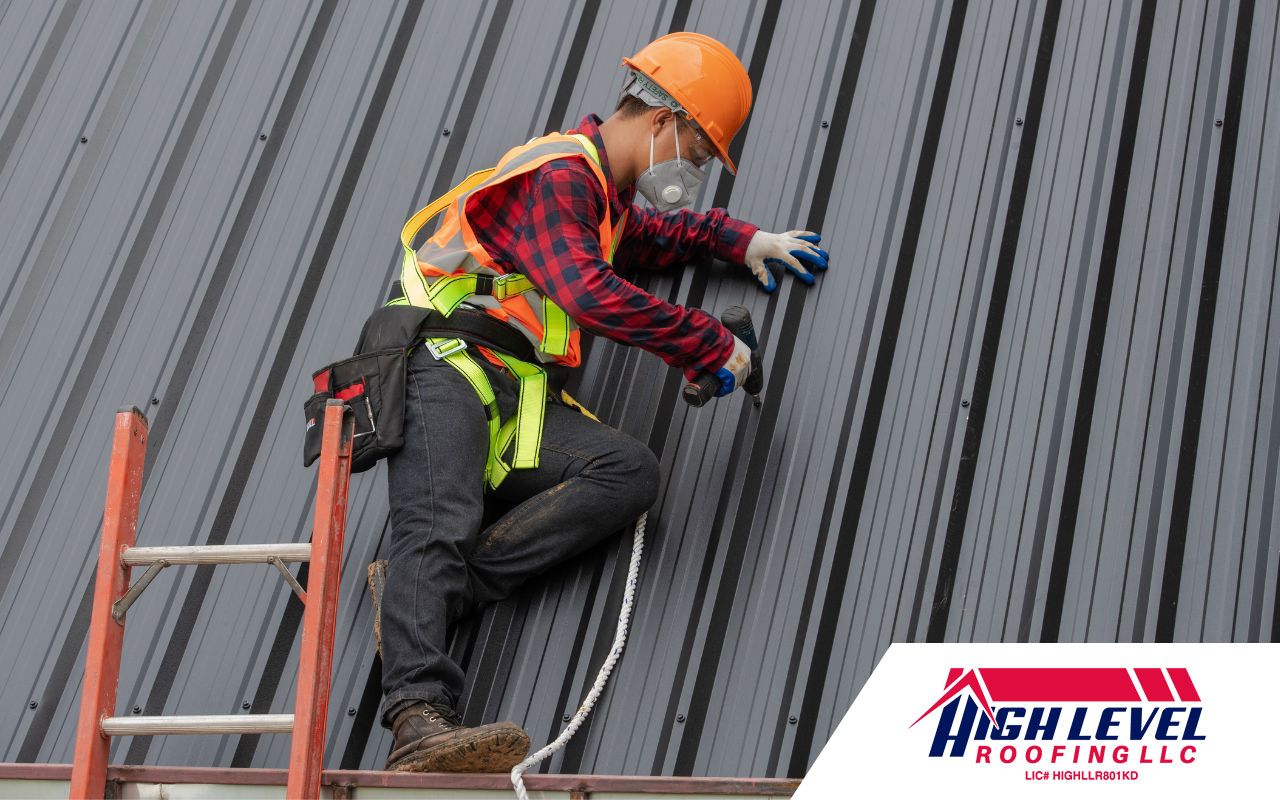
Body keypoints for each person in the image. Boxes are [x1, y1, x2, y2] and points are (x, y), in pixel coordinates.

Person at [376, 31, 830, 773]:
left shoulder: (603, 201)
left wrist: (741, 240)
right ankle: (418, 722)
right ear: (660, 123)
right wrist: (708, 343)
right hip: (445, 365)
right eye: (701, 150)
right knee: (440, 519)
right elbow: (586, 291)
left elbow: (655, 238)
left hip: (511, 392)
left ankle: (424, 600)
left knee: (628, 473)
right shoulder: (561, 176)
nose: (700, 169)